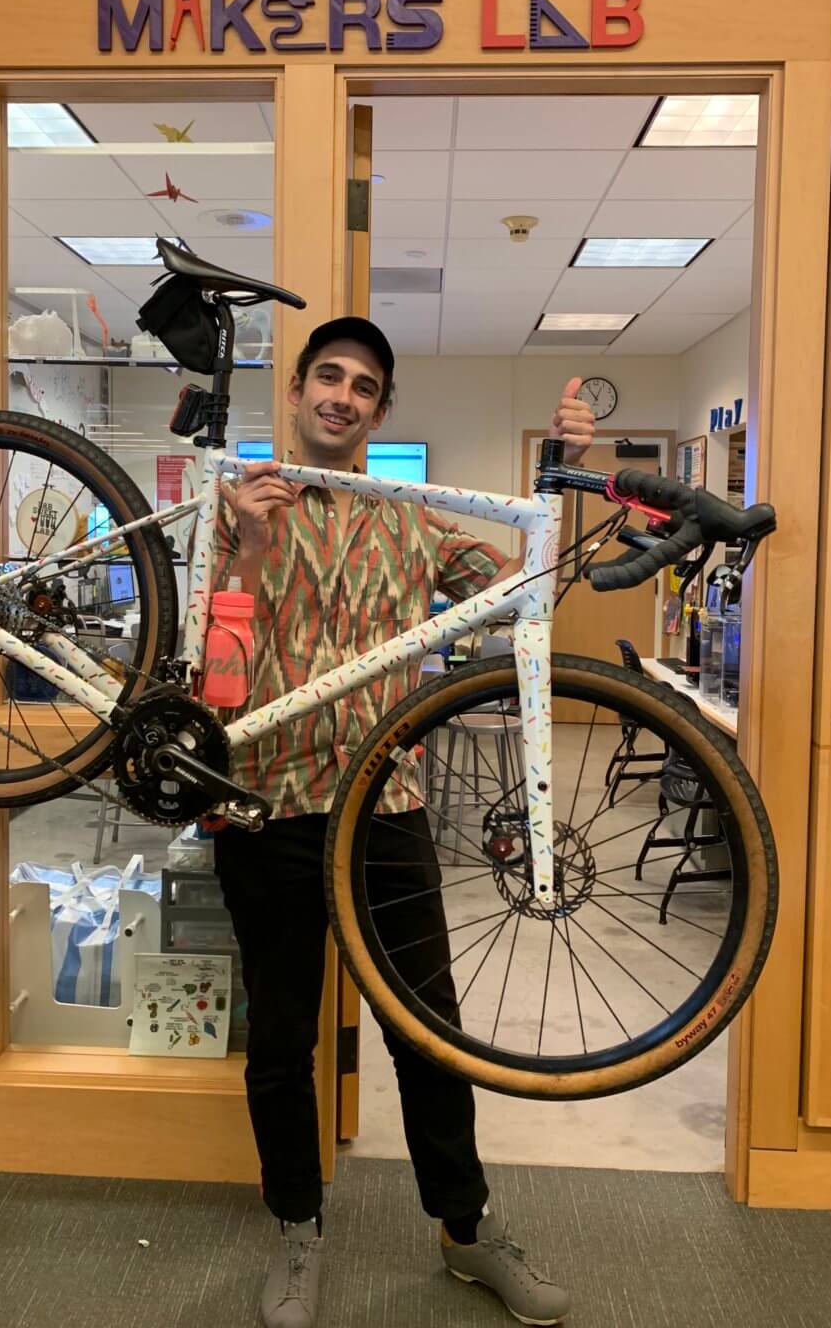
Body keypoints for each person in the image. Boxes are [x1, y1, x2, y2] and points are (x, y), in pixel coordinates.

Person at [211, 317, 595, 1327]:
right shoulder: (236, 507)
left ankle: (466, 1232)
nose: (342, 393)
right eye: (327, 375)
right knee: (282, 1041)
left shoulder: (415, 521)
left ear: (380, 411)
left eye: (363, 384)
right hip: (264, 805)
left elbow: (535, 594)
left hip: (385, 808)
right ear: (296, 391)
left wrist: (558, 474)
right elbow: (215, 678)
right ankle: (298, 1230)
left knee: (428, 1035)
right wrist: (248, 550)